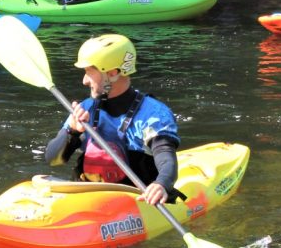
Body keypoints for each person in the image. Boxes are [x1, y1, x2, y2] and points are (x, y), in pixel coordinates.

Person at [44, 34, 184, 205]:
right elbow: (53, 160)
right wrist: (72, 132)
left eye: (89, 72)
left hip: (137, 200)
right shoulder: (85, 109)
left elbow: (166, 157)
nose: (84, 81)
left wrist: (161, 184)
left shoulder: (153, 114)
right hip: (89, 197)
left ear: (112, 73)